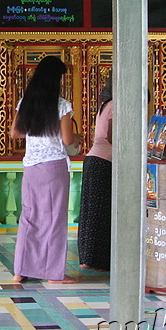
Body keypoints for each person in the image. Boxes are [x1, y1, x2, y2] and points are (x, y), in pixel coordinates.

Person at [10, 56, 83, 284]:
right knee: (53, 219)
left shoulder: (26, 102)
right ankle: (53, 274)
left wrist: (36, 133)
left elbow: (15, 133)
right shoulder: (62, 105)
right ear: (56, 80)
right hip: (53, 166)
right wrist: (79, 137)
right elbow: (67, 138)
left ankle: (20, 271)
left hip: (31, 165)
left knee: (29, 217)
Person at [77, 75, 113, 272]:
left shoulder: (105, 105)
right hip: (104, 162)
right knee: (101, 213)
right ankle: (98, 260)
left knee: (91, 213)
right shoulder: (116, 105)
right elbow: (116, 137)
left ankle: (87, 258)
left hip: (94, 160)